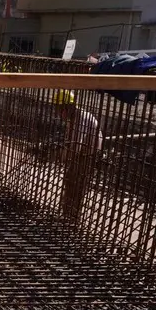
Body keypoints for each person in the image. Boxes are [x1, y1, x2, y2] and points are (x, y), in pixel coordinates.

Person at [53, 90, 102, 222]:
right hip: (80, 153)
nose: (58, 113)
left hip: (87, 155)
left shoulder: (81, 119)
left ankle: (73, 217)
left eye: (60, 109)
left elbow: (75, 144)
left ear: (69, 107)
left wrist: (62, 157)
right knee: (70, 181)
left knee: (77, 184)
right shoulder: (73, 117)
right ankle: (66, 214)